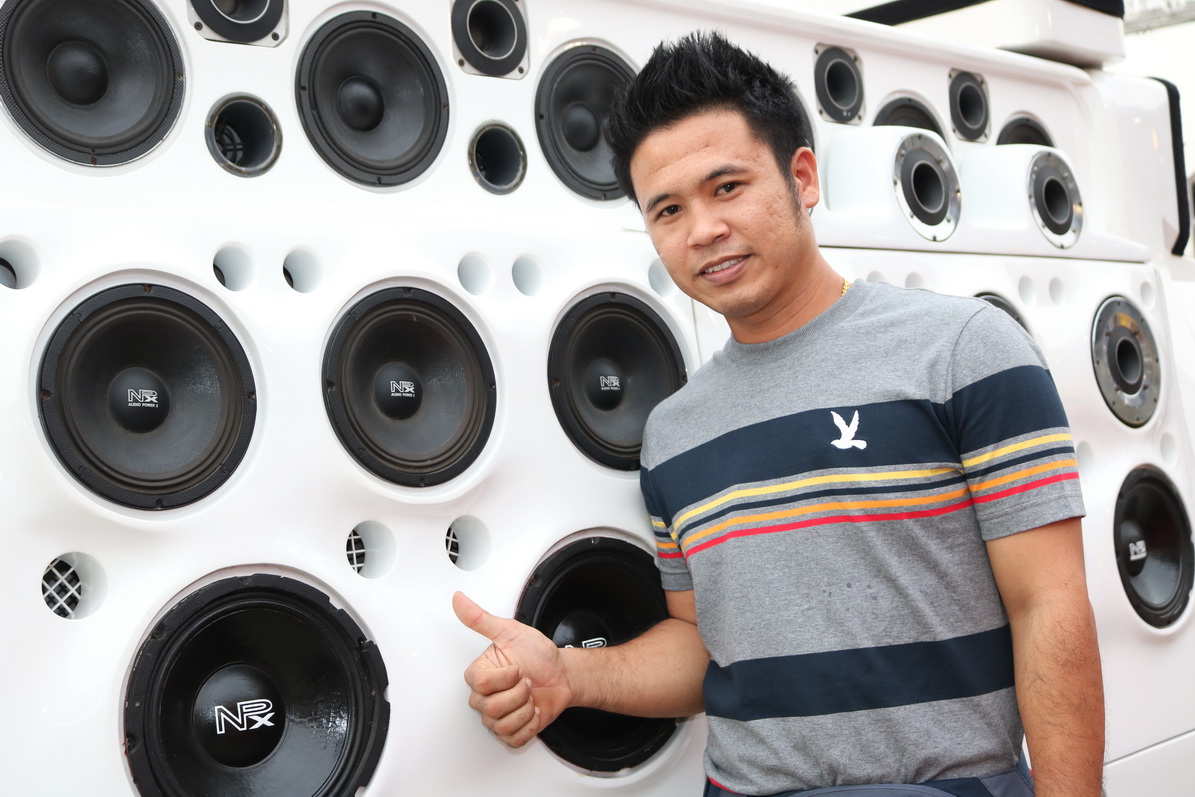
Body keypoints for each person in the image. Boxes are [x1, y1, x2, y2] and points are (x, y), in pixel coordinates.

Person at [453, 31, 1104, 797]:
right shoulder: (672, 433)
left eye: (726, 187)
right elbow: (704, 647)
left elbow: (1048, 607)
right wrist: (568, 675)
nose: (702, 229)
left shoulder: (964, 349)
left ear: (802, 177)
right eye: (668, 208)